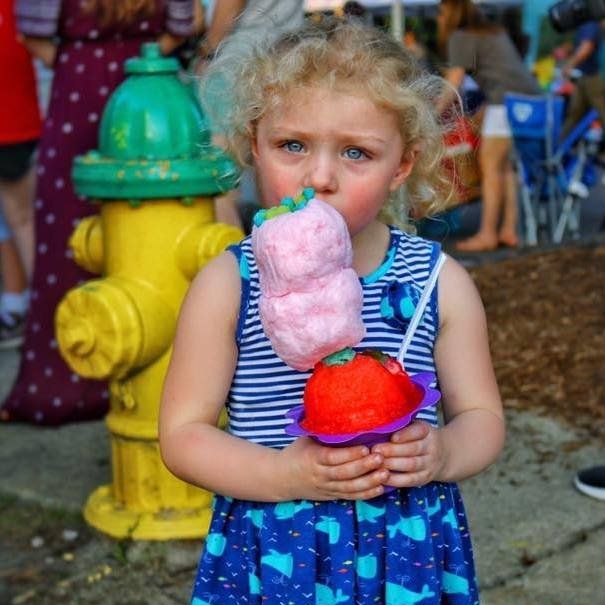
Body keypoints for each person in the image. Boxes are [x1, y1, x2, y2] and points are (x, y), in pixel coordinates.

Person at [159, 18, 505, 603]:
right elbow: (182, 434)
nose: (320, 177)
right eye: (291, 145)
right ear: (253, 142)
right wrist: (285, 475)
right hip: (276, 551)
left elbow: (482, 418)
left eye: (356, 153)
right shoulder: (229, 285)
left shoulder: (436, 283)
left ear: (401, 164)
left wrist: (443, 452)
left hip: (406, 553)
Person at [1, 0, 196, 425]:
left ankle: (64, 383)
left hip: (78, 91)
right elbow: (184, 25)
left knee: (67, 237)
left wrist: (82, 62)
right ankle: (156, 382)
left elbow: (33, 37)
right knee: (148, 229)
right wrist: (133, 59)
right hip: (147, 94)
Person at [437, 0, 540, 252]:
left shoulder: (461, 36)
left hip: (504, 104)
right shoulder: (494, 32)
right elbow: (504, 72)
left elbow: (454, 81)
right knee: (506, 168)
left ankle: (487, 234)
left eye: (440, 11)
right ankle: (508, 230)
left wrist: (430, 113)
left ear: (451, 12)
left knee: (490, 166)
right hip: (531, 101)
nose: (438, 17)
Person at [194, 0, 305, 232]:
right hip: (291, 51)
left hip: (240, 56)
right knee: (282, 172)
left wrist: (209, 50)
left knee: (220, 181)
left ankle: (234, 261)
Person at [0, 0, 42, 348]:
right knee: (15, 218)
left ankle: (40, 313)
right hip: (15, 121)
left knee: (22, 218)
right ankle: (17, 303)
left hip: (11, 125)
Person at [560, 20, 605, 140]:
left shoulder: (590, 24)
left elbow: (586, 47)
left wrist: (569, 65)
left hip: (591, 77)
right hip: (586, 76)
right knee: (575, 113)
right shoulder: (592, 25)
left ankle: (560, 147)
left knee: (600, 112)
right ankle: (560, 147)